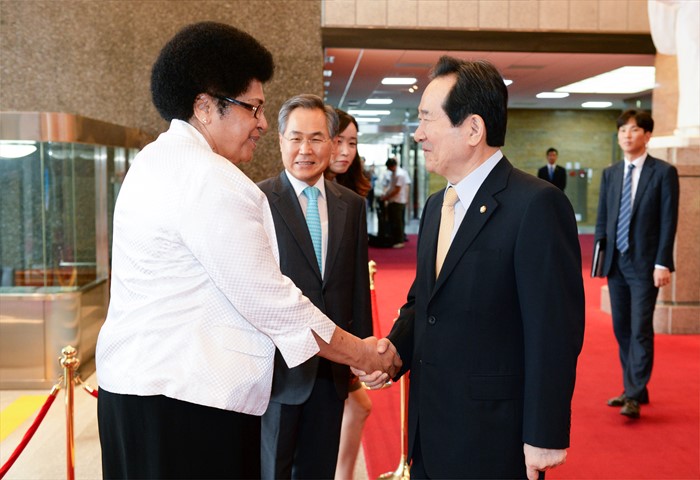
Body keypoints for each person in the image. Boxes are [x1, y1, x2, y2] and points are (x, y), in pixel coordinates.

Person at [95, 22, 399, 480]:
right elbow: (271, 301)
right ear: (205, 106)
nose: (262, 123)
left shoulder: (154, 160)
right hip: (187, 407)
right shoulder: (211, 178)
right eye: (253, 107)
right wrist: (362, 353)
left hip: (136, 395)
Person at [357, 56, 585, 480]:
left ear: (473, 129)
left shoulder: (536, 205)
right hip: (429, 429)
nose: (418, 133)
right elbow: (425, 301)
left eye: (427, 118)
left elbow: (555, 331)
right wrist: (393, 351)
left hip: (492, 437)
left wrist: (545, 433)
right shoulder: (435, 206)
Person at [257, 96, 373, 479]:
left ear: (333, 143)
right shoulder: (258, 200)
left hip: (331, 373)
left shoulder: (351, 206)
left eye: (316, 138)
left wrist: (362, 354)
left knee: (319, 469)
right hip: (278, 372)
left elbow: (356, 288)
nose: (305, 149)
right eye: (295, 138)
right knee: (272, 470)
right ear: (280, 140)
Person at [595, 109, 680, 419]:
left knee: (640, 328)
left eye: (633, 130)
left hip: (645, 264)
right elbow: (603, 218)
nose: (626, 136)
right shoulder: (611, 173)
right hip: (616, 263)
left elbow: (668, 221)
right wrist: (600, 259)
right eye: (622, 131)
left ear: (647, 135)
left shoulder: (663, 172)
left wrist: (662, 263)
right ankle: (635, 387)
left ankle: (632, 394)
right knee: (622, 328)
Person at [324, 108, 374, 480]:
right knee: (356, 407)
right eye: (338, 140)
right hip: (317, 332)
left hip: (341, 329)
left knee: (357, 407)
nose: (345, 151)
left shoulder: (350, 198)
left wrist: (363, 346)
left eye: (352, 143)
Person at [379, 157, 411, 248]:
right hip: (393, 200)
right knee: (395, 221)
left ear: (392, 166)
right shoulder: (394, 173)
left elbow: (397, 189)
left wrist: (386, 197)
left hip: (398, 201)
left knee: (398, 222)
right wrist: (386, 195)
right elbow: (391, 187)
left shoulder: (400, 174)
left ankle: (400, 240)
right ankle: (396, 239)